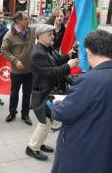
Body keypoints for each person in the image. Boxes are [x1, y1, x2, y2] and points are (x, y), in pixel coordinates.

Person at [51, 30, 112, 173]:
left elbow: (64, 113)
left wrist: (56, 104)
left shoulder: (89, 80)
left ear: (89, 51)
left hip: (86, 150)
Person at [25, 24, 78, 161]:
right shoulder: (38, 53)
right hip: (41, 93)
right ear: (41, 36)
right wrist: (68, 66)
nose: (53, 36)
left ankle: (40, 144)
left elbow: (57, 62)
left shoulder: (47, 48)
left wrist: (69, 55)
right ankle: (32, 147)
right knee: (44, 122)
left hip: (50, 91)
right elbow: (50, 72)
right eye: (50, 34)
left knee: (48, 120)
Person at [1, 11, 35, 125]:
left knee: (27, 94)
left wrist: (54, 15)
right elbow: (4, 51)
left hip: (29, 70)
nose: (28, 20)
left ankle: (25, 115)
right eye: (26, 19)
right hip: (16, 71)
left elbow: (44, 25)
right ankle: (12, 113)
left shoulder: (31, 30)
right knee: (14, 93)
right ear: (18, 21)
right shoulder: (9, 35)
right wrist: (15, 61)